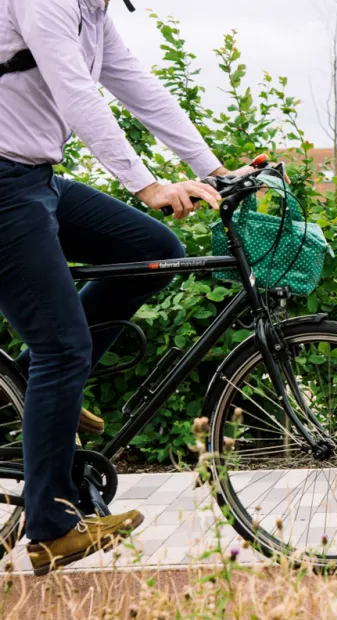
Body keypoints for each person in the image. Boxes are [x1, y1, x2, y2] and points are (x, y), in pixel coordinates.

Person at [0, 0, 255, 575]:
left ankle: (24, 383)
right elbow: (76, 95)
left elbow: (142, 89)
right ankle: (51, 528)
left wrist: (213, 170)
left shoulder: (92, 11)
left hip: (35, 177)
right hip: (2, 185)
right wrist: (145, 183)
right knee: (63, 347)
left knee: (153, 250)